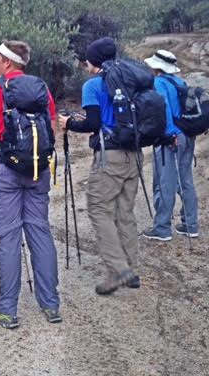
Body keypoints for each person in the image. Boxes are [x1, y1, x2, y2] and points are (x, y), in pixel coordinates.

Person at [0, 40, 61, 329]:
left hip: (4, 169)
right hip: (38, 169)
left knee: (9, 236)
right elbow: (52, 126)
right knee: (40, 231)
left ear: (8, 62)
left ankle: (7, 309)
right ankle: (50, 305)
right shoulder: (41, 88)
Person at [59, 37, 140, 295]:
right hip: (134, 152)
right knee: (124, 212)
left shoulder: (93, 85)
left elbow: (93, 123)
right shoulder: (131, 80)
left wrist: (69, 124)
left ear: (93, 61)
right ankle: (127, 270)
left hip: (110, 155)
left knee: (98, 208)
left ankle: (120, 269)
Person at [142, 50, 199, 241]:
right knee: (186, 180)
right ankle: (191, 225)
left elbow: (163, 110)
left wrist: (167, 135)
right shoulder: (180, 82)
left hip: (172, 137)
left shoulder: (159, 83)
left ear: (157, 66)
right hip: (188, 135)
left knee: (165, 182)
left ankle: (162, 228)